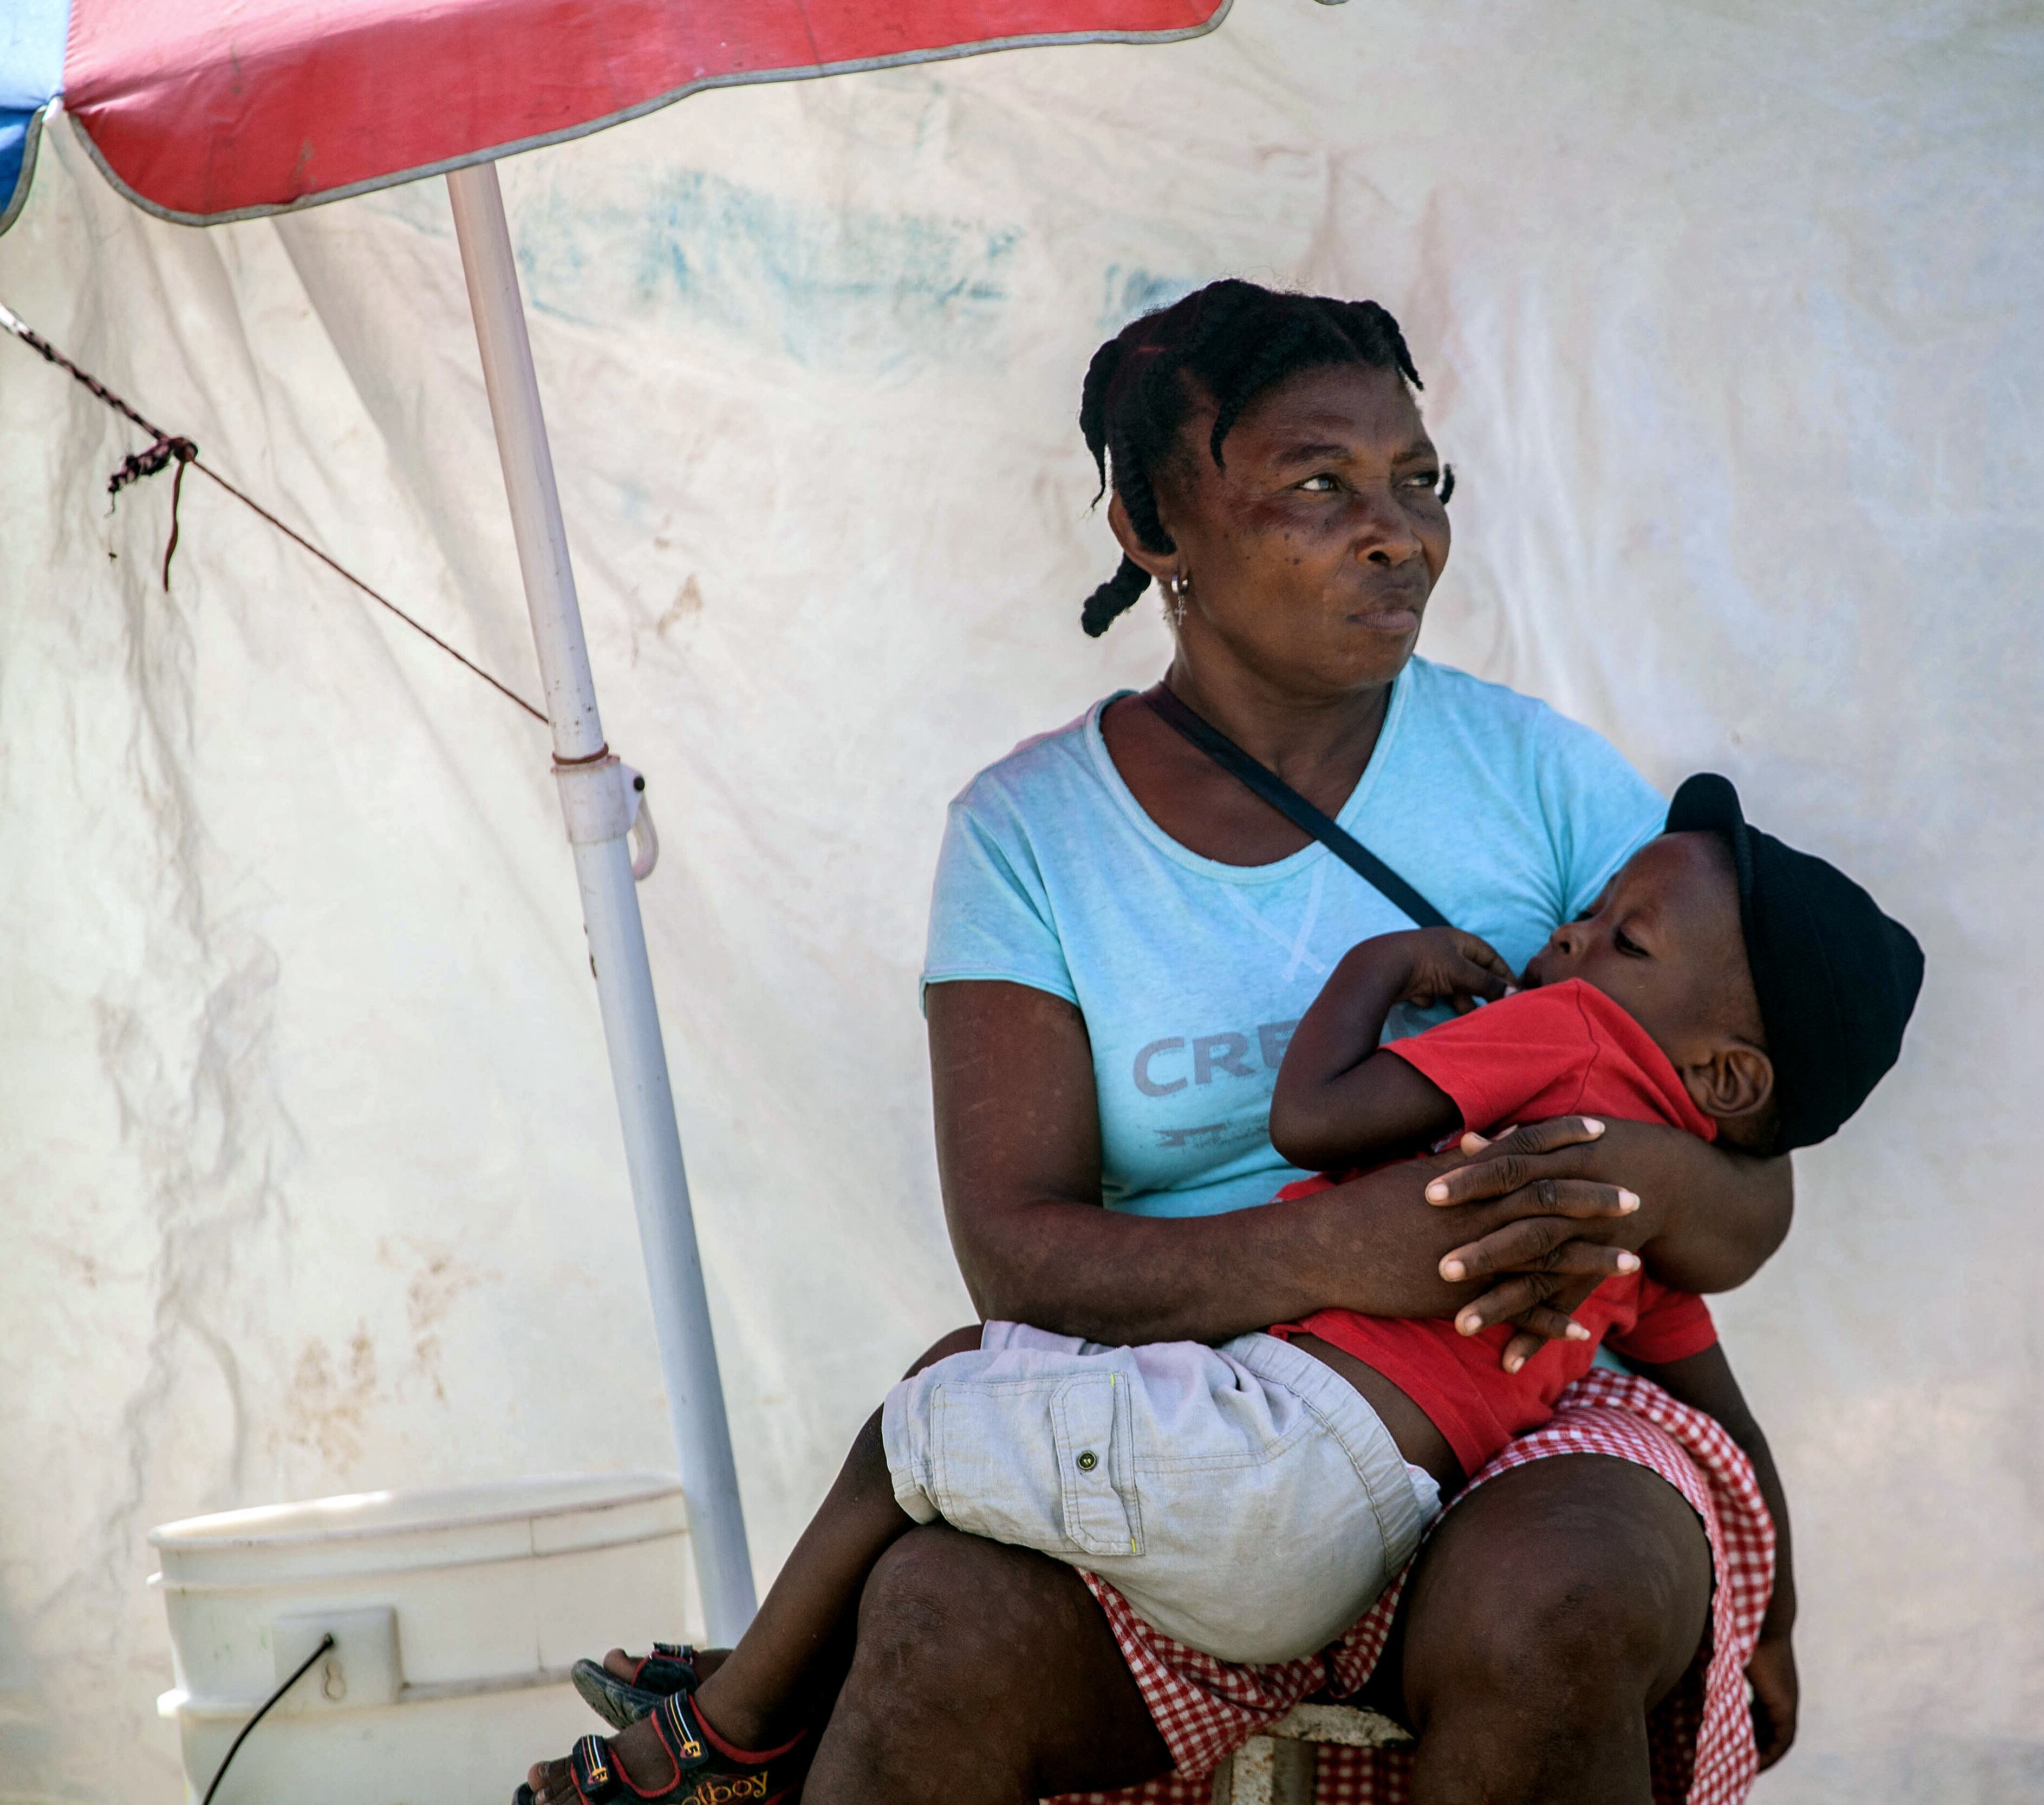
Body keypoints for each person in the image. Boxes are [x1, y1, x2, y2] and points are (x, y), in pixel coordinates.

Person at [535, 279, 1871, 1805]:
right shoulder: (1033, 836)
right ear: (1153, 527)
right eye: (1319, 485)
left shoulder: (1541, 783)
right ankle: (738, 1751)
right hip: (1175, 1397)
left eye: (1419, 481)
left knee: (1566, 1596)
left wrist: (1605, 1182)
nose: (1401, 532)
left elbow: (1748, 1185)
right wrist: (1352, 1250)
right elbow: (1021, 1262)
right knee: (936, 1624)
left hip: (1528, 1391)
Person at [517, 779, 1921, 1804]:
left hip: (1272, 1463)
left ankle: (723, 1735)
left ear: (1730, 1076)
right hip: (1373, 1490)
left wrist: (1381, 972)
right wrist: (1776, 1615)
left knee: (924, 1413)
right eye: (1594, 912)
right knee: (959, 1441)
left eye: (1622, 938)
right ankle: (750, 1708)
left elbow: (1317, 1123)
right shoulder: (1623, 1238)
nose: (1571, 939)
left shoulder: (1557, 1042)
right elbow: (1717, 1411)